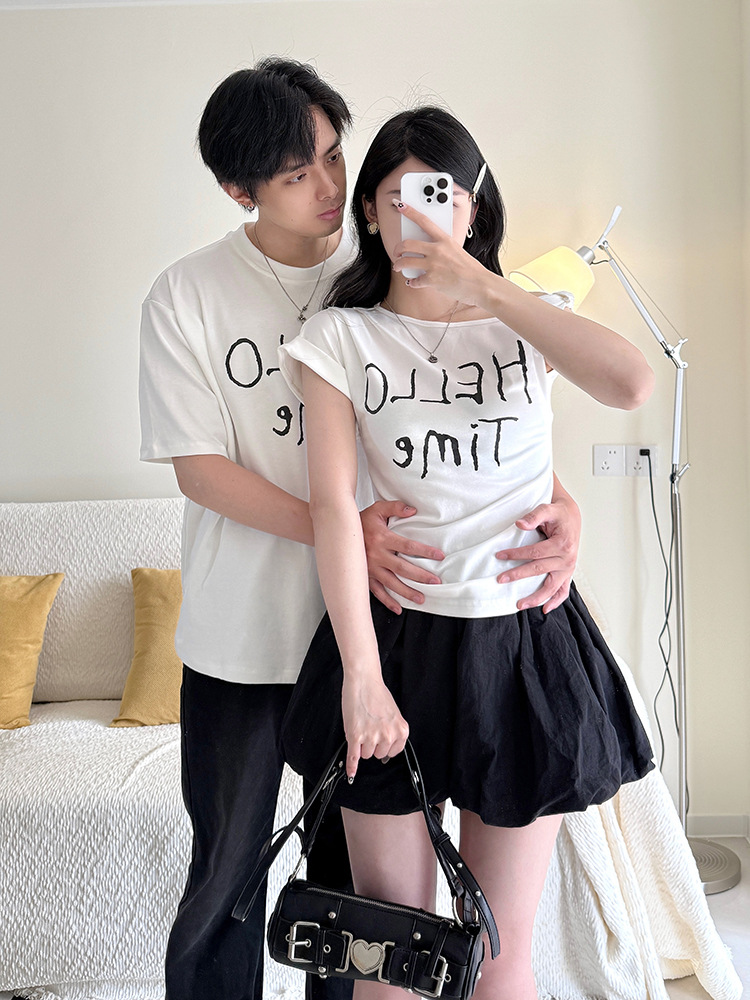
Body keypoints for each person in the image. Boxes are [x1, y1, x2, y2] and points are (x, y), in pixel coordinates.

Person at [139, 61, 583, 1000]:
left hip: (378, 638)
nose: (330, 187)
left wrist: (564, 504)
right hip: (241, 638)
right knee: (226, 876)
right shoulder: (188, 293)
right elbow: (198, 468)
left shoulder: (390, 268)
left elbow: (467, 421)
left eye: (335, 156)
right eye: (297, 173)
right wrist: (336, 528)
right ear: (240, 190)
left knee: (359, 917)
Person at [278, 105, 656, 1000]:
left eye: (442, 194)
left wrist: (487, 288)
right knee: (388, 949)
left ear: (473, 207)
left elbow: (633, 383)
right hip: (397, 637)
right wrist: (360, 676)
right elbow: (332, 508)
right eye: (398, 196)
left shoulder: (527, 318)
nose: (421, 214)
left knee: (498, 949)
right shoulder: (341, 337)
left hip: (522, 643)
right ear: (370, 212)